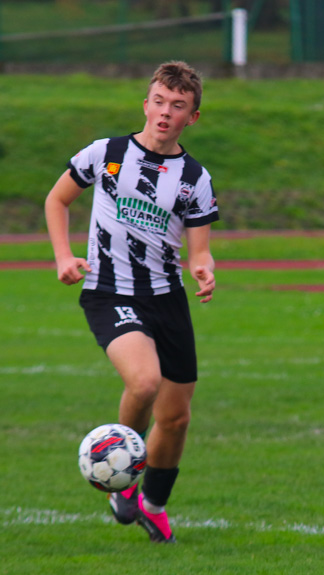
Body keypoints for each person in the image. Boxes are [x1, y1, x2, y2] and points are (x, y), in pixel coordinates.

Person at [45, 61, 219, 544]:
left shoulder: (194, 178)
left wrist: (203, 267)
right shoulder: (107, 154)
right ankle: (120, 470)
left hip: (167, 299)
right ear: (146, 104)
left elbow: (199, 248)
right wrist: (64, 255)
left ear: (193, 117)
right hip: (109, 291)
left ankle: (151, 504)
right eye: (160, 102)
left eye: (178, 106)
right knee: (144, 383)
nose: (166, 112)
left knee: (177, 417)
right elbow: (57, 200)